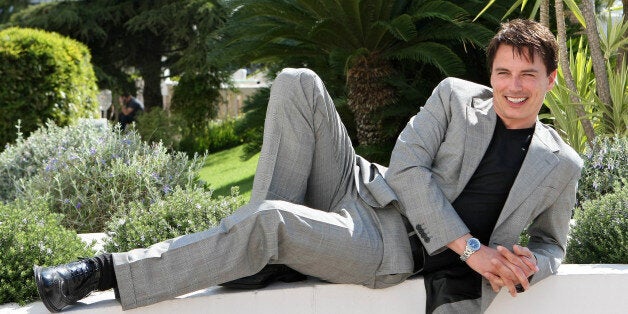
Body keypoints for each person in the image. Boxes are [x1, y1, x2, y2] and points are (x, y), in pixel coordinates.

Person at [33, 19, 582, 313]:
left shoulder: (560, 163)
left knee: (272, 220)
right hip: (367, 187)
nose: (513, 85)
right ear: (492, 73)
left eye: (528, 74)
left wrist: (531, 263)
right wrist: (473, 248)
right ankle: (258, 259)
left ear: (550, 80)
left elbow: (553, 245)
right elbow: (407, 169)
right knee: (298, 81)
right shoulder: (453, 96)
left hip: (387, 246)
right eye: (504, 72)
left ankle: (102, 272)